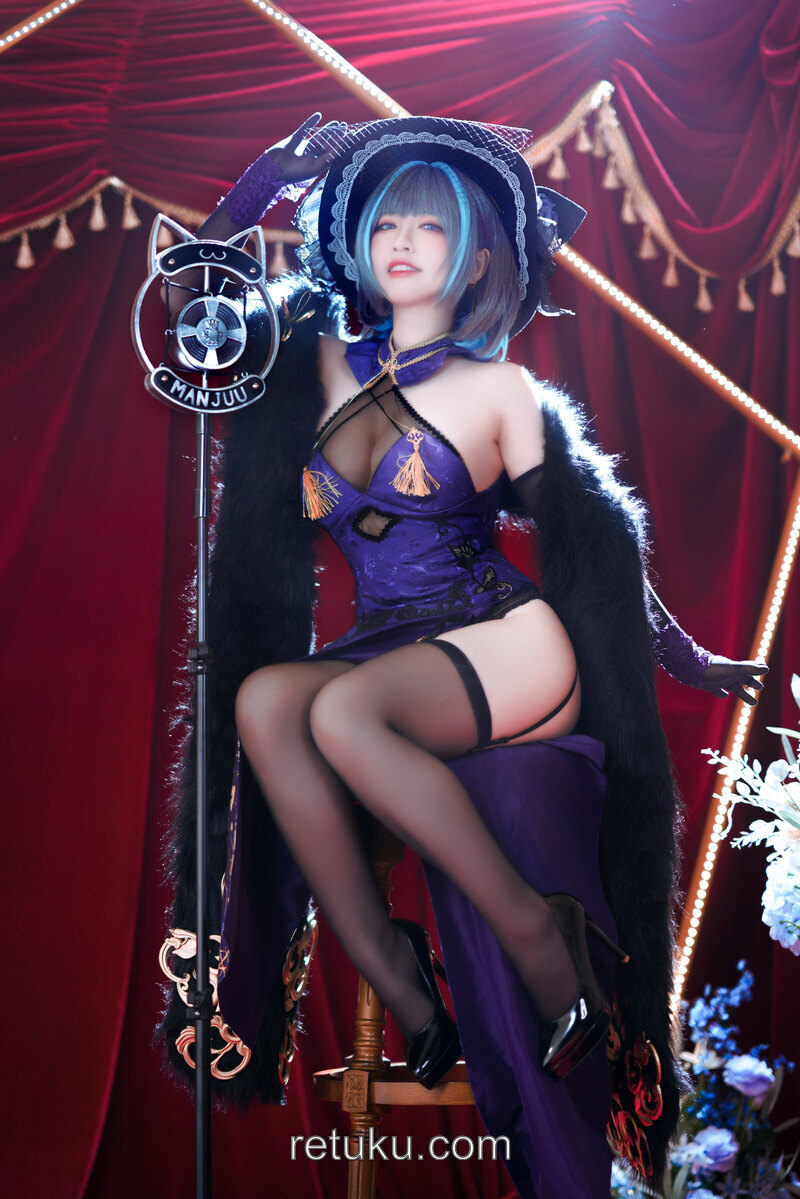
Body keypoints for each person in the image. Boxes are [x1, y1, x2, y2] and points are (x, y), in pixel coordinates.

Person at [158, 114, 767, 1197]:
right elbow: (192, 312)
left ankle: (538, 938)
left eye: (428, 226)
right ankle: (404, 978)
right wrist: (264, 182)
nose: (401, 241)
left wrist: (684, 656)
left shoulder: (503, 392)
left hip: (505, 642)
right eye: (384, 222)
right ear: (353, 241)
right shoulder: (311, 361)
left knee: (340, 715)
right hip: (386, 643)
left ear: (477, 256)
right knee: (262, 702)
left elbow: (595, 545)